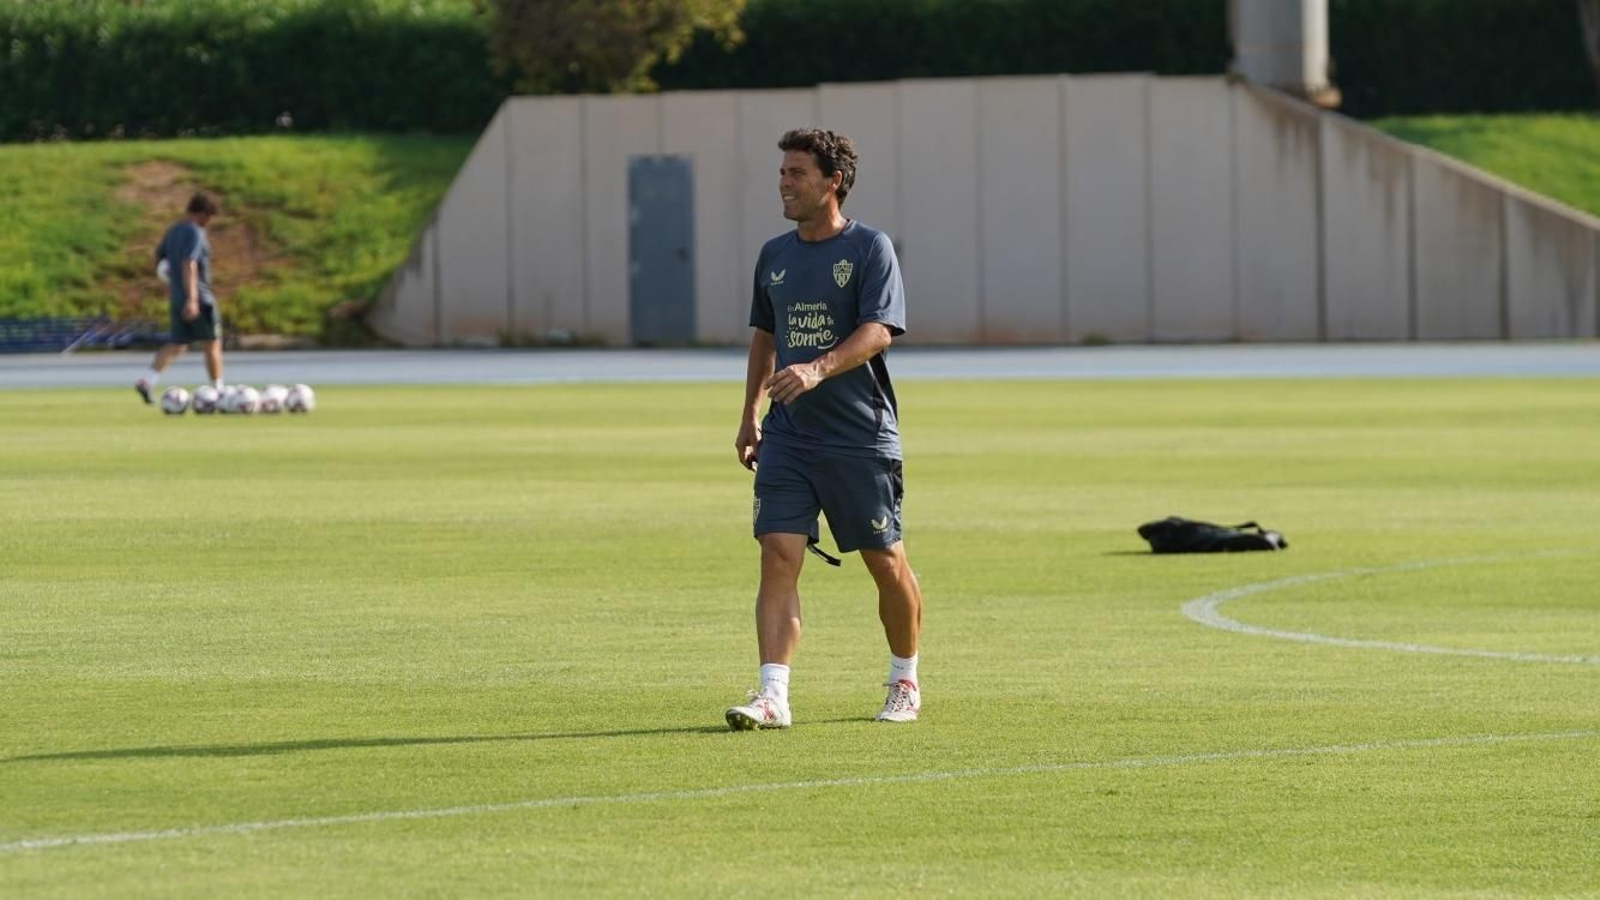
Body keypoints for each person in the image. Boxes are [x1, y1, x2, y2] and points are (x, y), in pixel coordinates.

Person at [726, 128, 924, 730]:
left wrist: (815, 368)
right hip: (789, 435)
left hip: (858, 436)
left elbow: (879, 330)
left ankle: (904, 677)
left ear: (832, 181)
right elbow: (765, 334)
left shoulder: (870, 248)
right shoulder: (774, 254)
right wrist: (749, 413)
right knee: (778, 552)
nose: (783, 184)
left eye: (796, 174)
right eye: (782, 173)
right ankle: (772, 696)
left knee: (884, 561)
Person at [135, 191, 224, 403]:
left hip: (176, 296)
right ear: (203, 213)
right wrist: (192, 299)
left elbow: (158, 259)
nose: (209, 222)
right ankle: (218, 391)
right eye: (209, 216)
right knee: (212, 342)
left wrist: (171, 282)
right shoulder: (195, 232)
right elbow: (189, 264)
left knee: (177, 344)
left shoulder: (173, 231)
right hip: (198, 297)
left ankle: (147, 380)